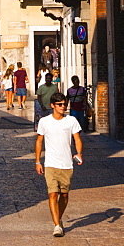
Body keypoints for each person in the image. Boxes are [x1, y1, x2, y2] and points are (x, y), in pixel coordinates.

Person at [35, 91, 83, 237]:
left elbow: (77, 139)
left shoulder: (71, 121)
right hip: (50, 164)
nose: (63, 107)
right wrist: (38, 161)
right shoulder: (44, 122)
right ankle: (57, 226)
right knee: (52, 194)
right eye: (60, 104)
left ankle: (59, 219)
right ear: (52, 106)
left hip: (67, 164)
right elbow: (39, 141)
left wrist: (79, 153)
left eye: (64, 104)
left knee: (64, 196)